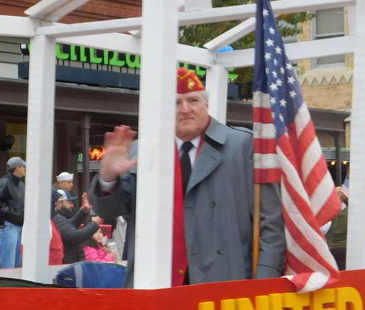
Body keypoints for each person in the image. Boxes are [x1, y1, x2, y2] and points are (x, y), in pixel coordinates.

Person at [90, 67, 285, 287]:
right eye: (175, 102)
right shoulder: (141, 151)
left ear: (206, 105)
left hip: (225, 288)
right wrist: (107, 177)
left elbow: (271, 224)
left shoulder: (243, 146)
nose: (185, 109)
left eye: (193, 100)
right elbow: (110, 211)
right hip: (158, 289)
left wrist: (264, 284)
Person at [0, 156, 26, 268]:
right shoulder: (4, 182)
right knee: (7, 265)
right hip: (7, 226)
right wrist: (12, 213)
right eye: (23, 166)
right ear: (17, 168)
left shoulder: (21, 184)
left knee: (17, 265)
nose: (25, 168)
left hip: (18, 226)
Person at [54, 189, 100, 264]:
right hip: (70, 265)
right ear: (59, 204)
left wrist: (82, 212)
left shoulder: (59, 218)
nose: (72, 205)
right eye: (69, 203)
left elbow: (69, 225)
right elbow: (74, 236)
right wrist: (94, 224)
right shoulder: (57, 218)